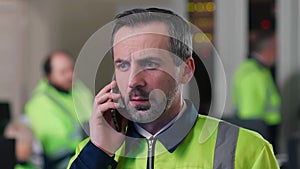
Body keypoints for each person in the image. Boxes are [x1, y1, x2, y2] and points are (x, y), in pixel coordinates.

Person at [68, 8, 279, 169]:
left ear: (186, 70)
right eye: (123, 65)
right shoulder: (94, 151)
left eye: (150, 64)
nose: (133, 81)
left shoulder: (247, 150)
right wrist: (98, 153)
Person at [25, 51, 93, 169]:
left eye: (71, 69)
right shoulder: (39, 102)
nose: (70, 75)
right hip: (65, 161)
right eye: (63, 72)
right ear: (48, 75)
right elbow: (57, 145)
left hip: (91, 151)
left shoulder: (79, 89)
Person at [232, 30, 281, 152]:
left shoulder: (257, 69)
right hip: (261, 133)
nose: (277, 53)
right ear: (270, 49)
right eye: (276, 48)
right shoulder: (253, 74)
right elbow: (250, 117)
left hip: (265, 130)